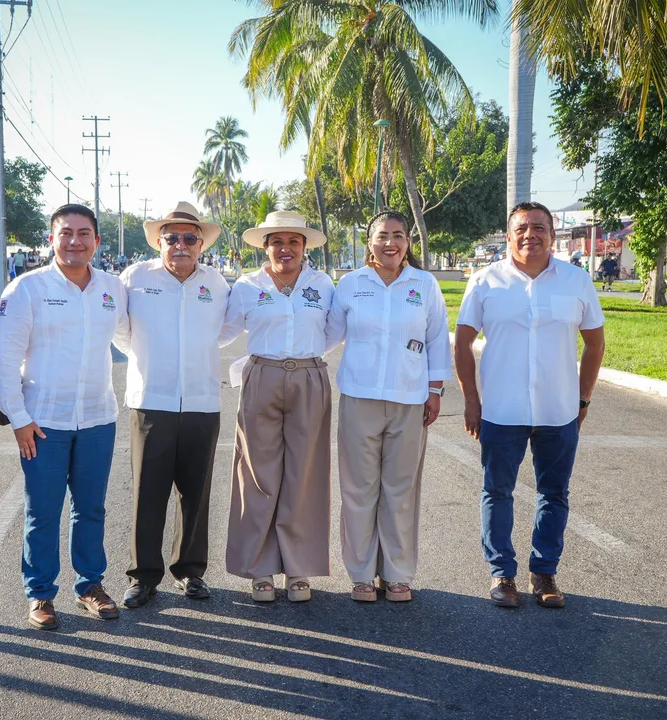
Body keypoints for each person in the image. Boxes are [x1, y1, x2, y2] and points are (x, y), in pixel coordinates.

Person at [454, 201, 606, 609]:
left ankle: (544, 573)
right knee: (496, 491)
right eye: (522, 228)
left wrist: (583, 397)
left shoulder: (576, 281)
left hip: (559, 411)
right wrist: (471, 399)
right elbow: (463, 342)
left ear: (553, 236)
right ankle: (502, 573)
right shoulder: (485, 282)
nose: (530, 235)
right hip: (502, 410)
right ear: (508, 235)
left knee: (554, 493)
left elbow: (595, 343)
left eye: (540, 227)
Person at [0, 204, 129, 630]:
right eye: (66, 233)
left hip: (97, 417)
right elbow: (6, 359)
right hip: (42, 422)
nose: (75, 241)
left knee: (91, 508)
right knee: (43, 510)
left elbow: (132, 338)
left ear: (97, 241)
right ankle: (40, 594)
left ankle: (90, 585)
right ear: (51, 238)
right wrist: (18, 418)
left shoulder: (113, 289)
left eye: (84, 233)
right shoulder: (26, 289)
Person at [325, 211, 451, 603]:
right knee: (359, 489)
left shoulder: (424, 284)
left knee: (400, 489)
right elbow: (326, 335)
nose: (390, 243)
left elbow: (437, 340)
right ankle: (361, 575)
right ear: (369, 242)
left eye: (398, 235)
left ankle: (397, 573)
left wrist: (435, 391)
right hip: (359, 398)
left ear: (408, 242)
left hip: (409, 399)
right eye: (382, 236)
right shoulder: (350, 285)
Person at [115, 202, 231, 609]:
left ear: (201, 244)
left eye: (189, 238)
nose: (180, 245)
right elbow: (120, 331)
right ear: (159, 242)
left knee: (195, 492)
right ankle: (143, 575)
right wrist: (151, 359)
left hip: (202, 400)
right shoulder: (134, 278)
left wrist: (195, 353)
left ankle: (190, 572)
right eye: (172, 238)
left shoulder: (215, 282)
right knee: (149, 492)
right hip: (152, 401)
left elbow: (225, 330)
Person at [221, 211, 335, 603]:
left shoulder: (322, 284)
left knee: (303, 474)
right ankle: (260, 568)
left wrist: (304, 359)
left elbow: (332, 331)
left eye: (294, 242)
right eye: (277, 242)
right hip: (262, 377)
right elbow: (224, 332)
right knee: (257, 475)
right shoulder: (247, 286)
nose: (285, 249)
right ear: (265, 246)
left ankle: (299, 568)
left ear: (304, 247)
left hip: (308, 376)